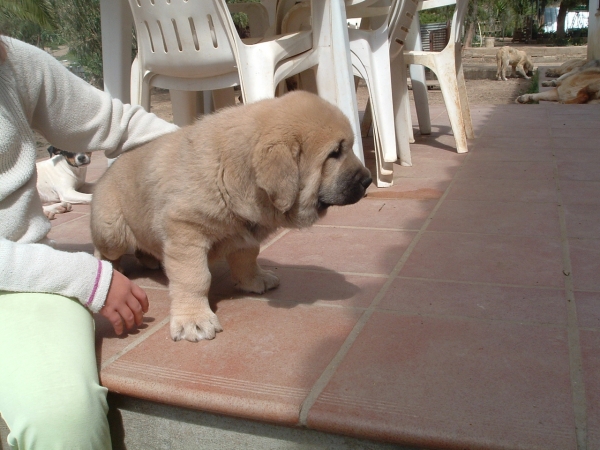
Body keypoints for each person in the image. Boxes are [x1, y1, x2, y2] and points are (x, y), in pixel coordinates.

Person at [0, 35, 178, 449]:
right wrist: (83, 274)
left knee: (66, 422)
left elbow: (119, 124)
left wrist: (213, 155)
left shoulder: (14, 62)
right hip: (44, 271)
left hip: (22, 286)